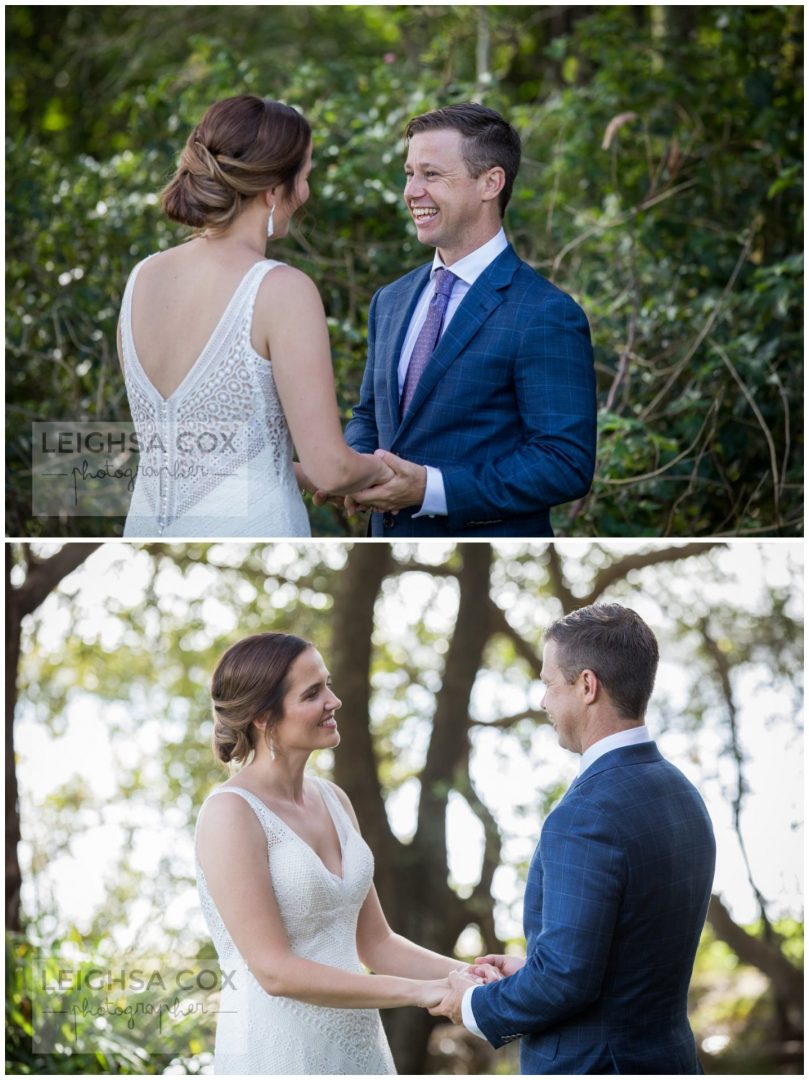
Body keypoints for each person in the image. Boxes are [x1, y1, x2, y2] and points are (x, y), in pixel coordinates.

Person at [429, 603, 716, 1074]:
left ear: (587, 685)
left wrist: (476, 1004)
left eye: (548, 684)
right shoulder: (682, 793)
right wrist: (531, 968)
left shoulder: (585, 815)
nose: (543, 701)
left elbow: (564, 982)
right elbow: (628, 956)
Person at [195, 632, 498, 1074]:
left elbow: (377, 943)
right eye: (313, 693)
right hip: (277, 1053)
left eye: (328, 685)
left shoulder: (334, 800)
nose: (333, 701)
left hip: (359, 1049)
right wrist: (422, 991)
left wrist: (475, 979)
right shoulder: (231, 813)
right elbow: (274, 971)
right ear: (263, 716)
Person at [117, 95, 391, 537]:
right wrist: (385, 472)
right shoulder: (282, 290)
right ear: (272, 190)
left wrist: (290, 470)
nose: (305, 192)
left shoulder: (142, 278)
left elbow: (203, 454)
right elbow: (332, 469)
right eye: (304, 176)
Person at [330, 102, 597, 537]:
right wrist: (356, 468)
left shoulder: (546, 313)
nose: (412, 191)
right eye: (409, 173)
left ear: (490, 183)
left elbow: (564, 463)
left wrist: (431, 489)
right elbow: (369, 415)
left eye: (432, 175)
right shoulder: (390, 300)